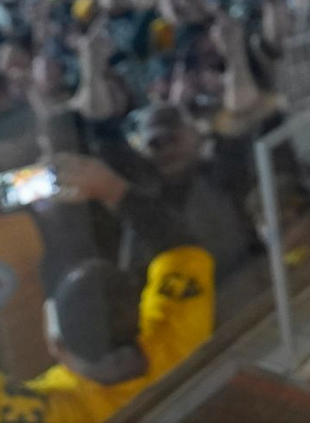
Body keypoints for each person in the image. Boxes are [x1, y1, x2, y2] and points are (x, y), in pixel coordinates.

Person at [0, 153, 214, 423]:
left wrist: (112, 189)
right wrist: (113, 189)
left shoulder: (60, 411)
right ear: (139, 309)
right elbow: (181, 248)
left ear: (56, 345)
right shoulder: (179, 344)